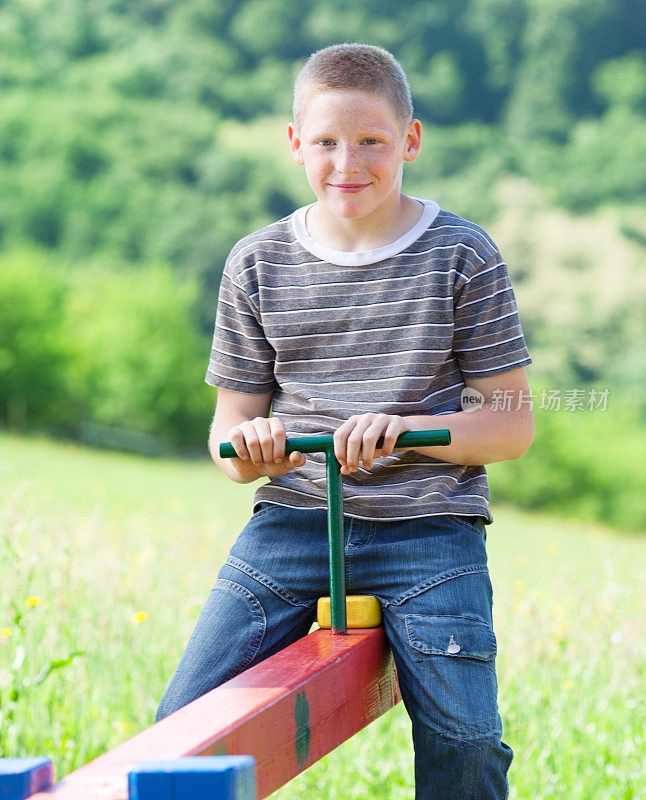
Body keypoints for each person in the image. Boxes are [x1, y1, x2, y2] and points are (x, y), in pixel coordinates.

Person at [155, 43, 534, 800]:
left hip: (428, 530)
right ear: (296, 143)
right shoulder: (256, 262)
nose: (346, 163)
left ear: (411, 142)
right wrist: (254, 449)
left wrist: (403, 428)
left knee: (465, 742)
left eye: (372, 142)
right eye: (325, 142)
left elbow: (511, 426)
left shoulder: (462, 255)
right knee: (181, 728)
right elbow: (228, 438)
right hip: (293, 523)